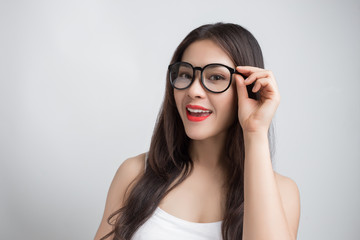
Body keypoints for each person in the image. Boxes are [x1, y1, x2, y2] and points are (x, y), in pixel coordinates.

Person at [94, 22, 300, 240]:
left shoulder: (282, 192)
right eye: (185, 74)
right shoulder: (134, 173)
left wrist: (255, 131)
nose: (193, 90)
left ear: (249, 87)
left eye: (216, 77)